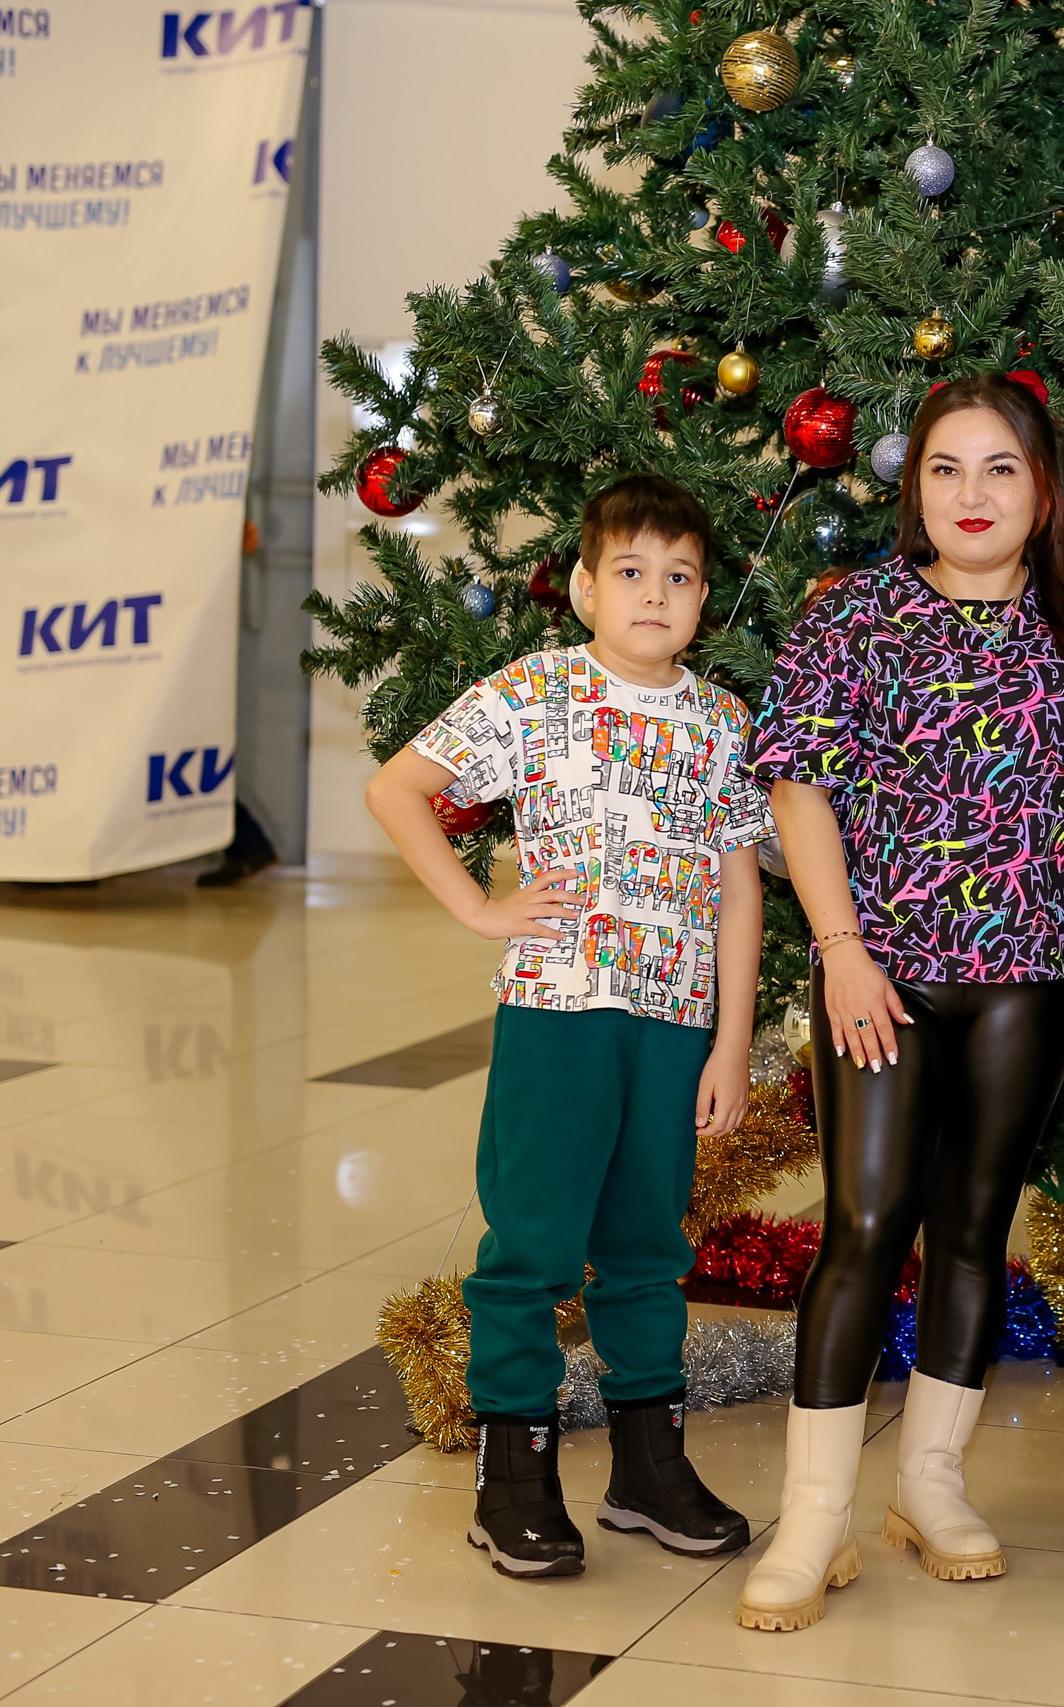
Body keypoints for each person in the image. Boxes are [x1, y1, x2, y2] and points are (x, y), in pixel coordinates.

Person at [737, 374, 1064, 1631]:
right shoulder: (855, 617)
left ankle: (929, 1483)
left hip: (1024, 985)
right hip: (875, 974)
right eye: (946, 469)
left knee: (973, 1227)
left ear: (1043, 490)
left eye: (1000, 469)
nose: (973, 495)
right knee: (866, 1221)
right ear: (913, 488)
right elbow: (797, 788)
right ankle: (815, 1517)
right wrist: (838, 948)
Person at [363, 475, 766, 1580]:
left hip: (675, 1021)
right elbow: (398, 789)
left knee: (646, 1247)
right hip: (557, 1011)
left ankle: (648, 1467)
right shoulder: (540, 687)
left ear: (703, 599)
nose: (654, 595)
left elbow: (739, 885)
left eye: (679, 578)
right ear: (585, 586)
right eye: (630, 573)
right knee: (533, 1247)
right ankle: (514, 1479)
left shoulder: (724, 722)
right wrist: (480, 906)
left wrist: (731, 1040)